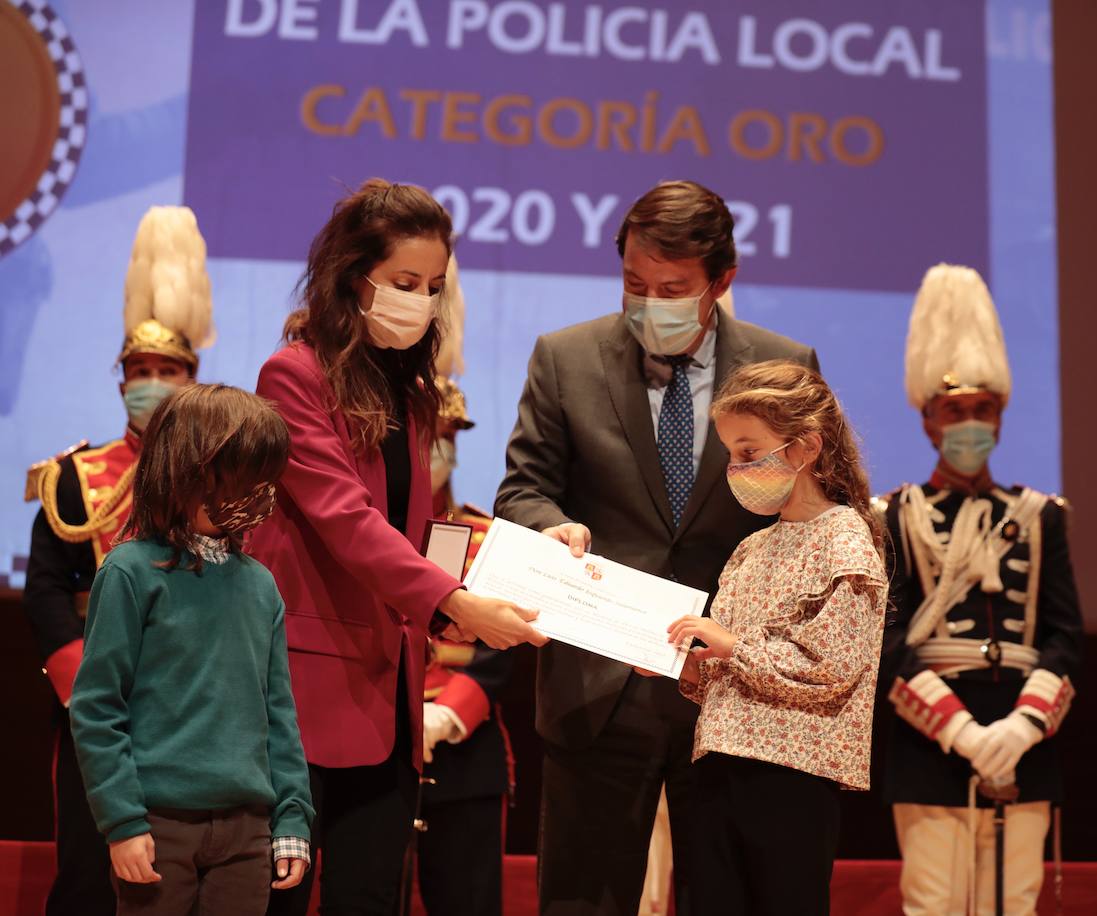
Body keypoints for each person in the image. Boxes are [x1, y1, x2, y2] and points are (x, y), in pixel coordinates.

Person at [494, 179, 817, 915]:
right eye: (635, 284)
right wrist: (548, 527)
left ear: (722, 282)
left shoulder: (782, 367)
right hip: (599, 684)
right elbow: (524, 489)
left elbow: (809, 513)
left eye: (673, 290)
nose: (649, 304)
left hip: (730, 682)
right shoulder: (565, 358)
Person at [248, 179, 546, 916]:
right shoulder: (294, 376)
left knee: (373, 898)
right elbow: (346, 519)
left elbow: (417, 530)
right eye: (404, 283)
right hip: (305, 692)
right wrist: (457, 601)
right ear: (356, 278)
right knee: (276, 901)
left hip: (393, 693)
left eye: (434, 287)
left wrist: (501, 576)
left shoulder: (409, 393)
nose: (421, 300)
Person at [21, 205, 212, 916]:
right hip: (96, 698)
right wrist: (83, 690)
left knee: (182, 874)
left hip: (190, 700)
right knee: (86, 868)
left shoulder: (218, 482)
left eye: (167, 369)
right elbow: (46, 588)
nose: (151, 381)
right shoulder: (73, 477)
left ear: (192, 377)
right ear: (120, 379)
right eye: (140, 369)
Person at [878, 264, 1083, 916]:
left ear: (1001, 417)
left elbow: (1064, 635)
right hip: (930, 740)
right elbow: (888, 639)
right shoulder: (894, 514)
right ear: (928, 422)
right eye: (955, 411)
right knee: (933, 903)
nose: (970, 423)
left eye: (983, 410)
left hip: (1026, 734)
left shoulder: (1040, 515)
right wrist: (962, 731)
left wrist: (1023, 727)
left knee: (1013, 903)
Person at [68, 383, 313, 915]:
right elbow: (97, 707)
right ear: (183, 474)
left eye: (261, 481)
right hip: (159, 824)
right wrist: (123, 822)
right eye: (239, 480)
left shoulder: (261, 585)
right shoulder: (130, 572)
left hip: (247, 829)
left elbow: (279, 714)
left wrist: (293, 815)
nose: (254, 497)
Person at [669, 359, 887, 916]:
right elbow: (728, 671)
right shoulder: (752, 547)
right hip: (719, 764)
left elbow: (831, 667)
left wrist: (729, 646)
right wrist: (685, 665)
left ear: (805, 448)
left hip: (791, 774)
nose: (737, 468)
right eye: (731, 454)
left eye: (749, 451)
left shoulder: (844, 538)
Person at [414, 259, 515, 916]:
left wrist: (450, 713)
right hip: (372, 741)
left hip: (463, 749)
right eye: (431, 434)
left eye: (448, 436)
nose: (439, 447)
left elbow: (503, 649)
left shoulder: (486, 538)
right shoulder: (362, 531)